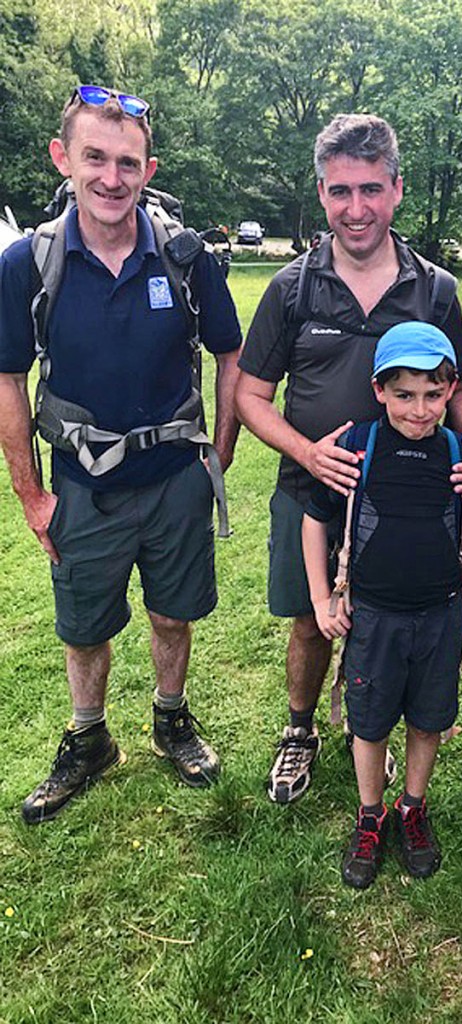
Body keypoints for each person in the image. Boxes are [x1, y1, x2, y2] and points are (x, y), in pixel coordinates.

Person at [0, 84, 242, 824]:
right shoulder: (25, 265)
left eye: (127, 162)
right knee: (84, 627)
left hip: (175, 480)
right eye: (95, 157)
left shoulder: (184, 256)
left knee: (174, 615)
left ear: (148, 168)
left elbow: (230, 357)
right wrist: (31, 492)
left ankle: (171, 720)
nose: (111, 177)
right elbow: (8, 378)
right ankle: (89, 738)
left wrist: (219, 459)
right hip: (80, 484)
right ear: (63, 157)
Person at [235, 113, 462, 805]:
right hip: (311, 488)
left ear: (397, 189)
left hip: (411, 494)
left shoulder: (435, 288)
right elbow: (249, 396)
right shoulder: (291, 287)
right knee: (312, 616)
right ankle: (300, 730)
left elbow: (457, 382)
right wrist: (306, 453)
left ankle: (383, 724)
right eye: (341, 191)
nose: (356, 209)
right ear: (321, 193)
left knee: (409, 616)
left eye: (371, 190)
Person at [302, 322, 462, 888]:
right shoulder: (356, 447)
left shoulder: (458, 452)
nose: (420, 409)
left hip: (440, 613)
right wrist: (319, 599)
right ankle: (371, 814)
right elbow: (314, 521)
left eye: (433, 394)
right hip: (371, 615)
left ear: (451, 389)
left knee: (429, 720)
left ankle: (413, 807)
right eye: (404, 394)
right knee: (370, 721)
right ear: (379, 389)